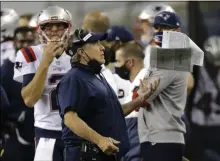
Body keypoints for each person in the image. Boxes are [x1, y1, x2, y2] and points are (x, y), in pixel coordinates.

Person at [56, 29, 157, 161]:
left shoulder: (96, 76)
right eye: (96, 44)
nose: (102, 47)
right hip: (86, 155)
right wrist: (100, 140)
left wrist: (140, 100)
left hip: (104, 154)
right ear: (81, 52)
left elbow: (114, 112)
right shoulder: (74, 78)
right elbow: (70, 118)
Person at [13, 6, 72, 161]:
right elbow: (29, 100)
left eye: (59, 26)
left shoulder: (79, 54)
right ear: (40, 30)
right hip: (47, 134)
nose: (54, 31)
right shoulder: (30, 54)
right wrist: (45, 62)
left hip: (78, 134)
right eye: (48, 27)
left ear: (68, 28)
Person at [136, 11, 190, 161]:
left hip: (163, 138)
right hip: (158, 136)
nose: (159, 32)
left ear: (177, 31)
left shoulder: (172, 57)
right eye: (157, 28)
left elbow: (143, 96)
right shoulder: (163, 56)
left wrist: (140, 91)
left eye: (165, 28)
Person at [1, 26, 36, 161]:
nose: (26, 45)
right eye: (22, 41)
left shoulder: (43, 66)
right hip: (15, 133)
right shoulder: (6, 70)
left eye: (29, 41)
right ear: (14, 42)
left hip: (39, 131)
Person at [115, 42, 149, 161]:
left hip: (138, 138)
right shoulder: (135, 81)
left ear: (129, 62)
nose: (116, 66)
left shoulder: (144, 77)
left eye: (118, 61)